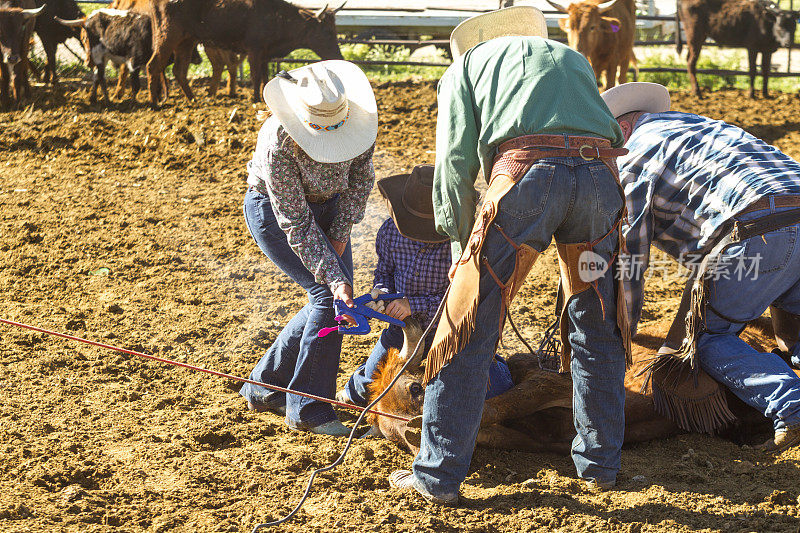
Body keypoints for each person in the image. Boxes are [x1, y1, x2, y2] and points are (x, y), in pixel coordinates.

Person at [389, 6, 631, 503]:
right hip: (601, 182)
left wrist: (463, 251)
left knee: (467, 327)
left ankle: (436, 475)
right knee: (598, 322)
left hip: (528, 179)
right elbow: (610, 130)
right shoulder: (570, 57)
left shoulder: (463, 69)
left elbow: (454, 166)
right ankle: (600, 465)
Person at [606, 81, 800, 452]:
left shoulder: (630, 159)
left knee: (706, 340)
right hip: (789, 204)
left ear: (622, 130)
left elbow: (628, 260)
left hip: (758, 231)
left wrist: (621, 329)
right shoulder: (706, 127)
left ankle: (791, 405)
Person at [238, 60, 378, 437]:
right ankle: (307, 408)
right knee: (327, 296)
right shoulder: (278, 140)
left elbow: (360, 182)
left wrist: (339, 235)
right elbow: (296, 222)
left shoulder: (361, 125)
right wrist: (334, 276)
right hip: (273, 209)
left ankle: (265, 386)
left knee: (330, 296)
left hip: (331, 207)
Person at [335, 165, 514, 407]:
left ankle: (496, 363)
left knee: (498, 390)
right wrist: (382, 293)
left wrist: (412, 304)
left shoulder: (465, 241)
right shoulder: (390, 231)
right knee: (369, 388)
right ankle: (354, 386)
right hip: (402, 330)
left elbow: (466, 298)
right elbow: (384, 273)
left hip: (453, 334)